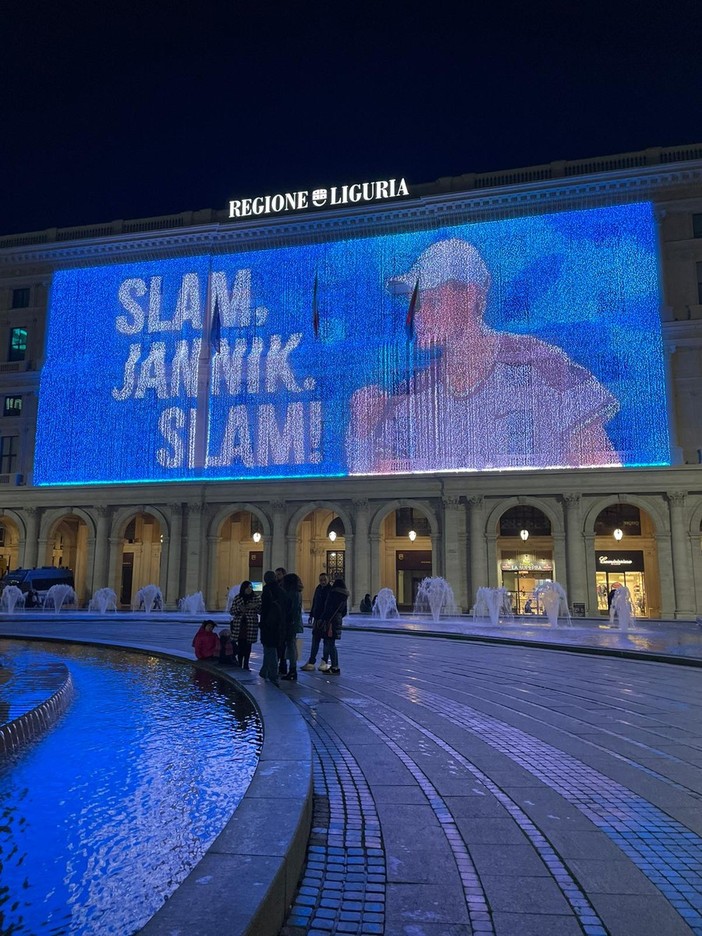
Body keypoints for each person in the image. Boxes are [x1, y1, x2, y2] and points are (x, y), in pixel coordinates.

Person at [346, 238, 620, 474]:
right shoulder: (412, 394)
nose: (420, 317)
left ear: (470, 295)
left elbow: (601, 469)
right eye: (415, 306)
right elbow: (377, 499)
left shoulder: (541, 364)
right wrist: (362, 432)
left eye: (432, 302)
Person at [259, 570, 286, 686]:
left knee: (270, 649)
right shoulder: (281, 590)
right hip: (279, 625)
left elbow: (264, 609)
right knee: (271, 648)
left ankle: (273, 675)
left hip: (269, 625)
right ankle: (264, 671)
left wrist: (263, 622)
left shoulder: (267, 590)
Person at [318, 578, 349, 675]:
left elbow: (328, 608)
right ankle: (328, 663)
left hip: (330, 621)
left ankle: (334, 666)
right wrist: (338, 617)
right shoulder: (344, 596)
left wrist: (322, 618)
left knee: (329, 643)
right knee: (330, 643)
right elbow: (344, 611)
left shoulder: (333, 593)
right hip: (337, 619)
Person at [301, 573, 331, 672]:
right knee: (315, 640)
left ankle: (324, 662)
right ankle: (311, 662)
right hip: (317, 619)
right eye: (321, 580)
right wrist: (311, 615)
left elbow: (328, 606)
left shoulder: (330, 590)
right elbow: (315, 602)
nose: (322, 582)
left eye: (324, 580)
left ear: (328, 580)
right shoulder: (318, 589)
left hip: (326, 620)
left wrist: (323, 618)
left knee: (326, 641)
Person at [230, 580, 262, 671]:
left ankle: (246, 664)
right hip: (239, 625)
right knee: (240, 644)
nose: (249, 589)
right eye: (248, 587)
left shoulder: (256, 598)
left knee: (248, 645)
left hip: (250, 625)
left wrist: (255, 606)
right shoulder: (237, 598)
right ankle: (240, 663)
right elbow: (232, 611)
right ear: (243, 588)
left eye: (251, 587)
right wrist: (239, 609)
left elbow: (261, 611)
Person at [280, 572, 304, 681]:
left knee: (291, 645)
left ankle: (293, 670)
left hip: (291, 623)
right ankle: (292, 669)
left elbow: (292, 609)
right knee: (291, 645)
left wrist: (287, 620)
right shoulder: (296, 592)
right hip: (293, 622)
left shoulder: (292, 593)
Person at [274, 567, 288, 674]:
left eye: (278, 574)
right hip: (280, 619)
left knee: (281, 644)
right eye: (276, 575)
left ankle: (282, 665)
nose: (277, 576)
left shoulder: (282, 587)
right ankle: (281, 664)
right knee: (281, 644)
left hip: (282, 619)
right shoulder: (278, 586)